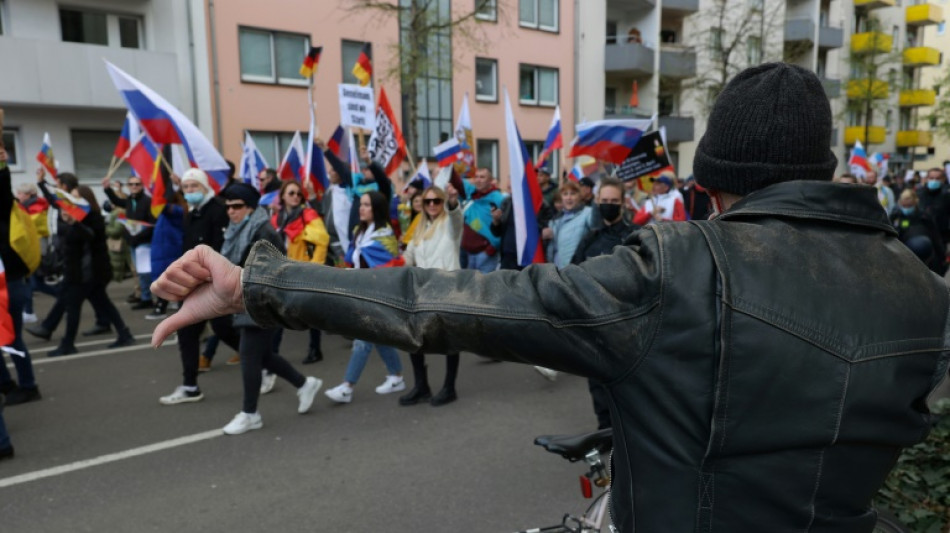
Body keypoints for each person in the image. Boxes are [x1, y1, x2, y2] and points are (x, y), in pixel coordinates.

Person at [151, 63, 950, 532]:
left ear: (706, 190)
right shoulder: (919, 289)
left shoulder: (678, 267)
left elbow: (448, 300)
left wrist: (256, 280)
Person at [217, 183, 321, 435]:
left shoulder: (261, 231)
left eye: (237, 206)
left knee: (249, 356)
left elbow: (275, 270)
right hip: (246, 300)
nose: (231, 211)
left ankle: (250, 414)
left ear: (251, 208)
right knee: (262, 356)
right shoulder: (237, 230)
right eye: (228, 206)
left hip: (262, 302)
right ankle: (304, 383)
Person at [159, 168, 240, 400]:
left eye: (194, 186)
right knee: (187, 331)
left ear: (205, 187)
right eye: (186, 187)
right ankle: (190, 386)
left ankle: (265, 364)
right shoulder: (191, 213)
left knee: (224, 328)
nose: (190, 191)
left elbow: (219, 250)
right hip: (194, 285)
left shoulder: (217, 211)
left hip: (212, 283)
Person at [570, 177, 640, 429]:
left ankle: (627, 439)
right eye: (605, 201)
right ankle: (605, 436)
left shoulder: (634, 237)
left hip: (624, 327)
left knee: (625, 389)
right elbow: (572, 274)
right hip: (593, 325)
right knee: (597, 386)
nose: (609, 205)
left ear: (623, 203)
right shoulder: (590, 237)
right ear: (597, 201)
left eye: (614, 201)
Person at [35, 182, 135, 356]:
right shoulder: (76, 214)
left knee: (73, 306)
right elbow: (55, 201)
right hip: (82, 270)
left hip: (85, 272)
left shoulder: (92, 217)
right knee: (103, 303)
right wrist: (41, 184)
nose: (73, 200)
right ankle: (124, 334)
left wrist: (74, 223)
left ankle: (67, 344)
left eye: (76, 197)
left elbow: (89, 236)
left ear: (86, 199)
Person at [324, 191, 405, 404]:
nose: (361, 208)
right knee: (379, 337)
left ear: (376, 209)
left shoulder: (385, 235)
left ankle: (347, 387)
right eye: (361, 204)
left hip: (378, 294)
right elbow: (353, 260)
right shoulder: (359, 232)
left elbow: (389, 265)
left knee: (362, 340)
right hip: (361, 292)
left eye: (367, 205)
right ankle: (396, 376)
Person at [399, 184, 463, 406]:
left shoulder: (450, 223)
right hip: (421, 291)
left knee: (448, 339)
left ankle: (449, 387)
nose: (433, 205)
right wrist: (395, 262)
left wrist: (453, 203)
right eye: (428, 201)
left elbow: (456, 217)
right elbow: (409, 255)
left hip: (446, 289)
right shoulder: (419, 226)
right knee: (413, 337)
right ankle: (421, 386)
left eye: (437, 200)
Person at [270, 180, 329, 364]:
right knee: (280, 312)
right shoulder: (276, 219)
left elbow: (322, 240)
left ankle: (315, 349)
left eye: (298, 194)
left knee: (309, 313)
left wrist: (313, 268)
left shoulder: (308, 214)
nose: (296, 197)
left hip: (304, 271)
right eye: (291, 193)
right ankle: (273, 353)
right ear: (282, 197)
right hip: (283, 271)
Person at [0, 148, 41, 405]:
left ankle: (28, 385)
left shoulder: (5, 214)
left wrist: (2, 165)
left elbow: (2, 190)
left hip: (11, 284)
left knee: (12, 337)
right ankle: (5, 384)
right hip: (12, 283)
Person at [103, 173, 154, 310]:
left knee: (144, 272)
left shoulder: (148, 201)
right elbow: (115, 200)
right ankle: (145, 296)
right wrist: (107, 188)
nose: (134, 186)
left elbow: (152, 223)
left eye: (137, 184)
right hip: (132, 242)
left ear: (142, 186)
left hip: (144, 242)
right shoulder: (129, 200)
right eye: (131, 184)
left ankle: (148, 298)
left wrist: (139, 235)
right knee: (138, 271)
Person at [146, 168, 185, 320]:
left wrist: (156, 187)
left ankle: (161, 307)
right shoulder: (172, 210)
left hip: (170, 250)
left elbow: (161, 205)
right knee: (166, 279)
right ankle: (164, 304)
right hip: (163, 250)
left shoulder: (176, 210)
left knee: (169, 279)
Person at [460, 167, 506, 273]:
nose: (478, 180)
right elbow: (457, 182)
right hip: (468, 253)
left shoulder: (499, 198)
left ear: (490, 180)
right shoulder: (471, 194)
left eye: (482, 177)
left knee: (485, 288)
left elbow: (505, 226)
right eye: (476, 177)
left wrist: (492, 247)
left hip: (486, 254)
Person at [891, 189, 947, 275]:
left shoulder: (924, 217)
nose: (906, 208)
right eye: (904, 206)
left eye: (909, 206)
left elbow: (936, 237)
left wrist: (942, 256)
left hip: (926, 258)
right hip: (903, 257)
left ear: (915, 203)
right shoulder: (895, 217)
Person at [15, 182, 49, 324]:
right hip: (33, 245)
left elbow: (28, 226)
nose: (18, 196)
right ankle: (28, 311)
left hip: (37, 246)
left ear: (28, 195)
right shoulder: (28, 206)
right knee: (33, 282)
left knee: (33, 283)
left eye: (21, 194)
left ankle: (29, 312)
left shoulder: (36, 207)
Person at [543, 180, 596, 269]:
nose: (569, 198)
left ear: (579, 196)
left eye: (573, 194)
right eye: (565, 194)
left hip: (576, 270)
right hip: (557, 271)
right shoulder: (555, 220)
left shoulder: (588, 213)